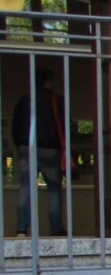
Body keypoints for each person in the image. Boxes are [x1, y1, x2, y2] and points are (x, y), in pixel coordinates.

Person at [11, 67, 68, 236]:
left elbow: (15, 127)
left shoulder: (24, 100)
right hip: (50, 148)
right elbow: (66, 125)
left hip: (26, 147)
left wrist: (21, 145)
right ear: (48, 81)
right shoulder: (56, 100)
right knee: (54, 190)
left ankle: (21, 228)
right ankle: (56, 228)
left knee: (26, 187)